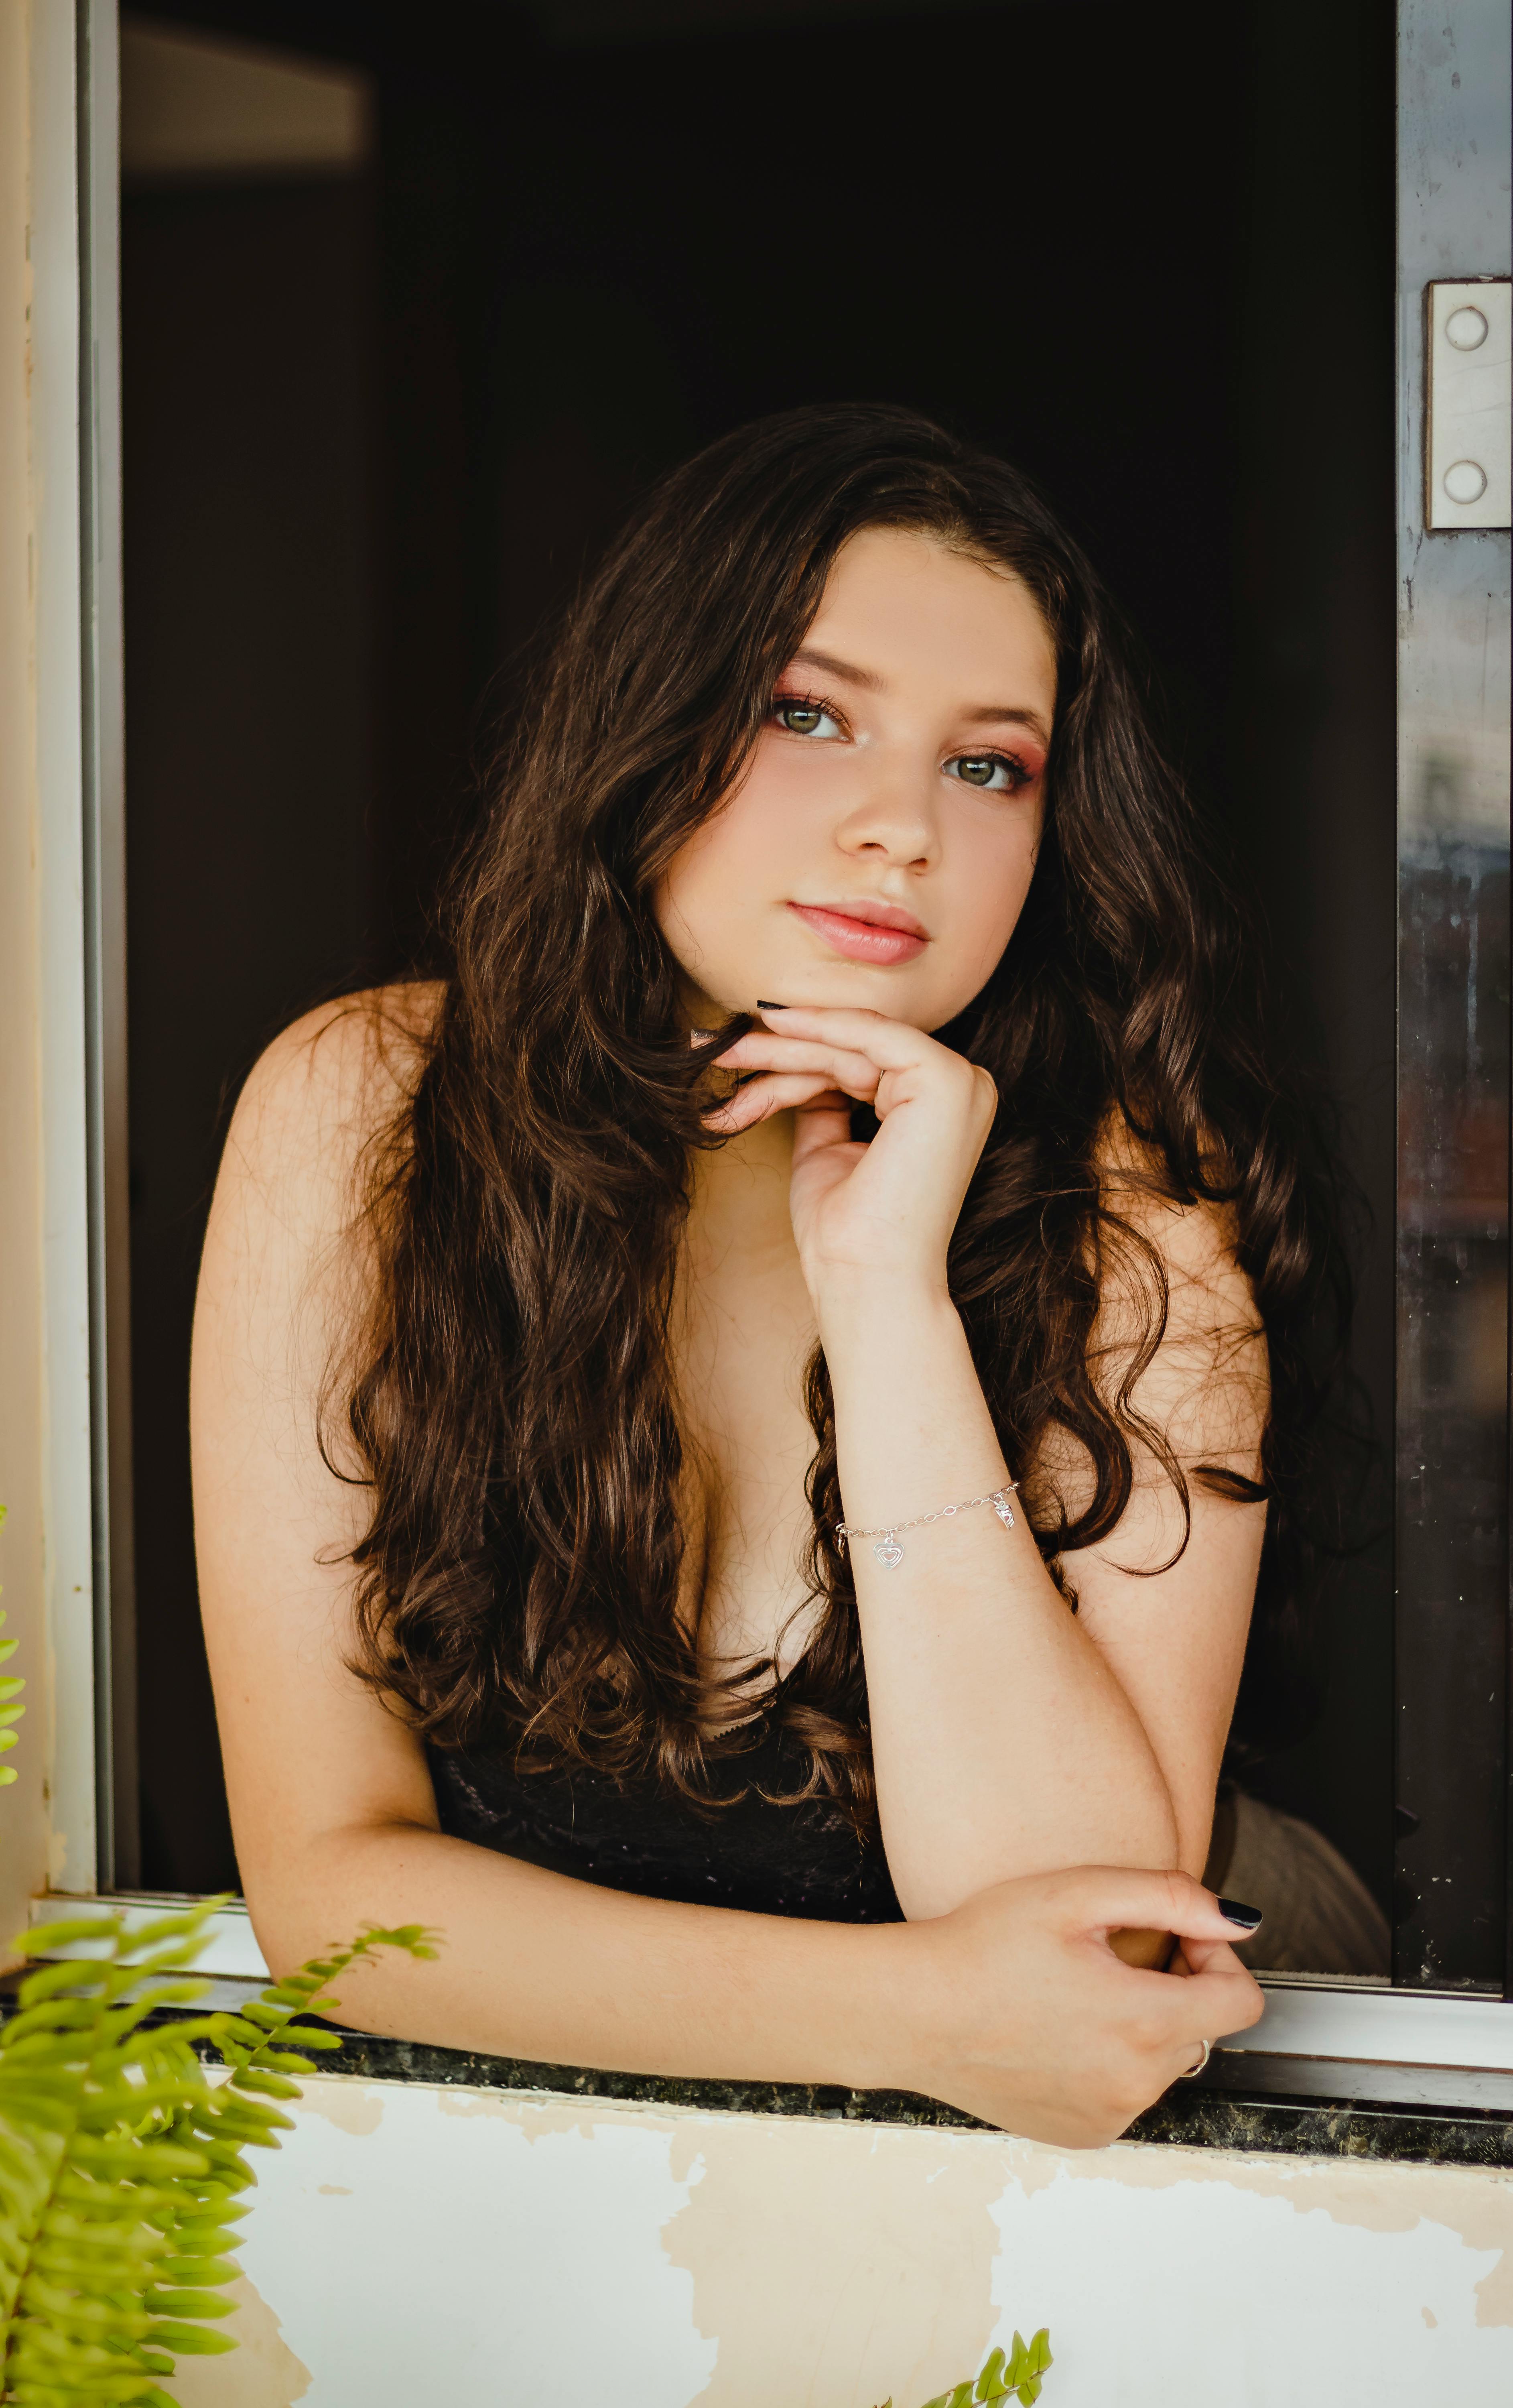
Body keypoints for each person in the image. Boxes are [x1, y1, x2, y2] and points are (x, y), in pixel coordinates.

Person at [189, 402, 1359, 2151]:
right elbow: (331, 1895)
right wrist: (912, 2012)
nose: (902, 829)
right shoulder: (366, 1113)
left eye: (990, 765)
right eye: (807, 715)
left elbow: (1086, 1947)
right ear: (645, 726)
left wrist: (888, 1296)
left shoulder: (1138, 1230)